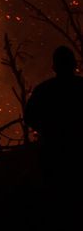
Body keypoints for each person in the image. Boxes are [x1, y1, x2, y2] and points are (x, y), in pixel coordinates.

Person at [24, 45, 83, 188]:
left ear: (54, 67)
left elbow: (29, 117)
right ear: (74, 65)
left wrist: (48, 129)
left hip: (53, 155)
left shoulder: (44, 90)